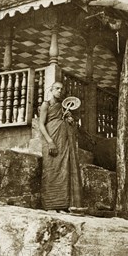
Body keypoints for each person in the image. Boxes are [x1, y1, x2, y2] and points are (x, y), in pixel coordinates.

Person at [38, 81, 82, 211]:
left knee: (64, 170)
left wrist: (69, 120)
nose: (59, 91)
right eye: (57, 88)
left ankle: (62, 205)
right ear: (51, 90)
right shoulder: (46, 104)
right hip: (51, 139)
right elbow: (41, 124)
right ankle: (51, 205)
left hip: (63, 141)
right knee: (51, 169)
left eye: (61, 89)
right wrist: (50, 141)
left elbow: (70, 123)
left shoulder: (63, 107)